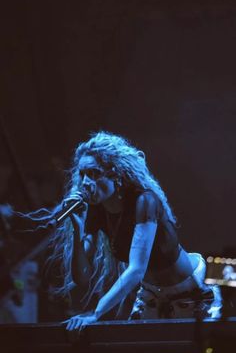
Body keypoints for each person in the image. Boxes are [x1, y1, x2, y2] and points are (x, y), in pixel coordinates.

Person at [3, 132, 222, 328]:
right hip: (153, 296)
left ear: (115, 174)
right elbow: (82, 278)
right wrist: (78, 232)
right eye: (82, 174)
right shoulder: (97, 211)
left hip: (195, 287)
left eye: (94, 173)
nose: (86, 182)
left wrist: (95, 313)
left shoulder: (144, 201)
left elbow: (136, 269)